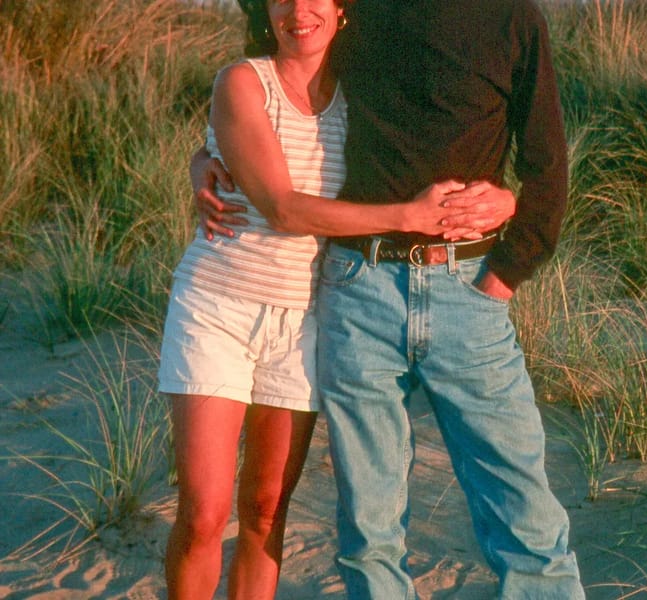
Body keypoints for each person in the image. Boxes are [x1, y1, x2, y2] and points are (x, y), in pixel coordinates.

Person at [195, 0, 584, 597]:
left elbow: (547, 162)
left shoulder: (512, 17)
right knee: (369, 527)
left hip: (467, 291)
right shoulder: (353, 11)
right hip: (359, 290)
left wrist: (507, 270)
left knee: (523, 514)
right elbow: (282, 88)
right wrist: (204, 158)